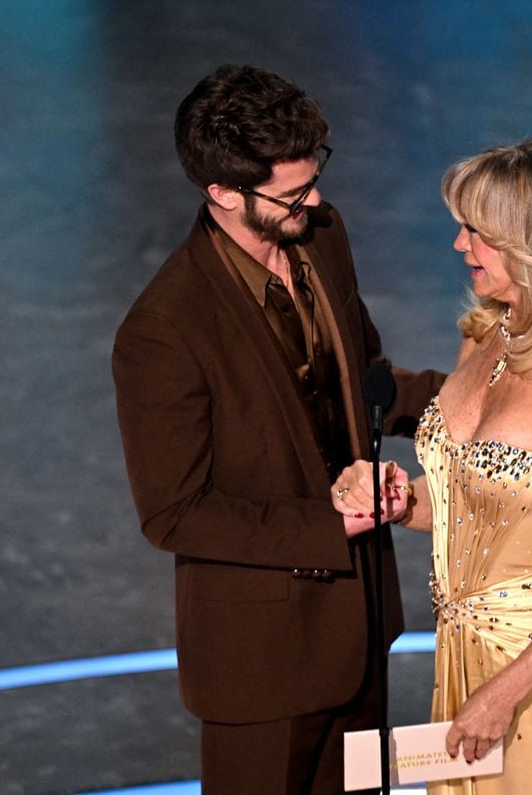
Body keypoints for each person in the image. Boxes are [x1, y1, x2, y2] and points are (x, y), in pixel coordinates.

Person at [112, 64, 444, 794]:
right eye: (292, 192)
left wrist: (480, 400)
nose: (315, 199)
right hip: (261, 668)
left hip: (360, 632)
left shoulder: (322, 236)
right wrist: (334, 524)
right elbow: (174, 511)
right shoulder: (164, 330)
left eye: (314, 176)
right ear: (223, 192)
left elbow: (362, 380)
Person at [332, 137, 532, 793]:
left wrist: (505, 692)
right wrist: (398, 501)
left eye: (476, 231)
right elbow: (473, 502)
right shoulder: (483, 335)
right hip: (467, 669)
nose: (459, 245)